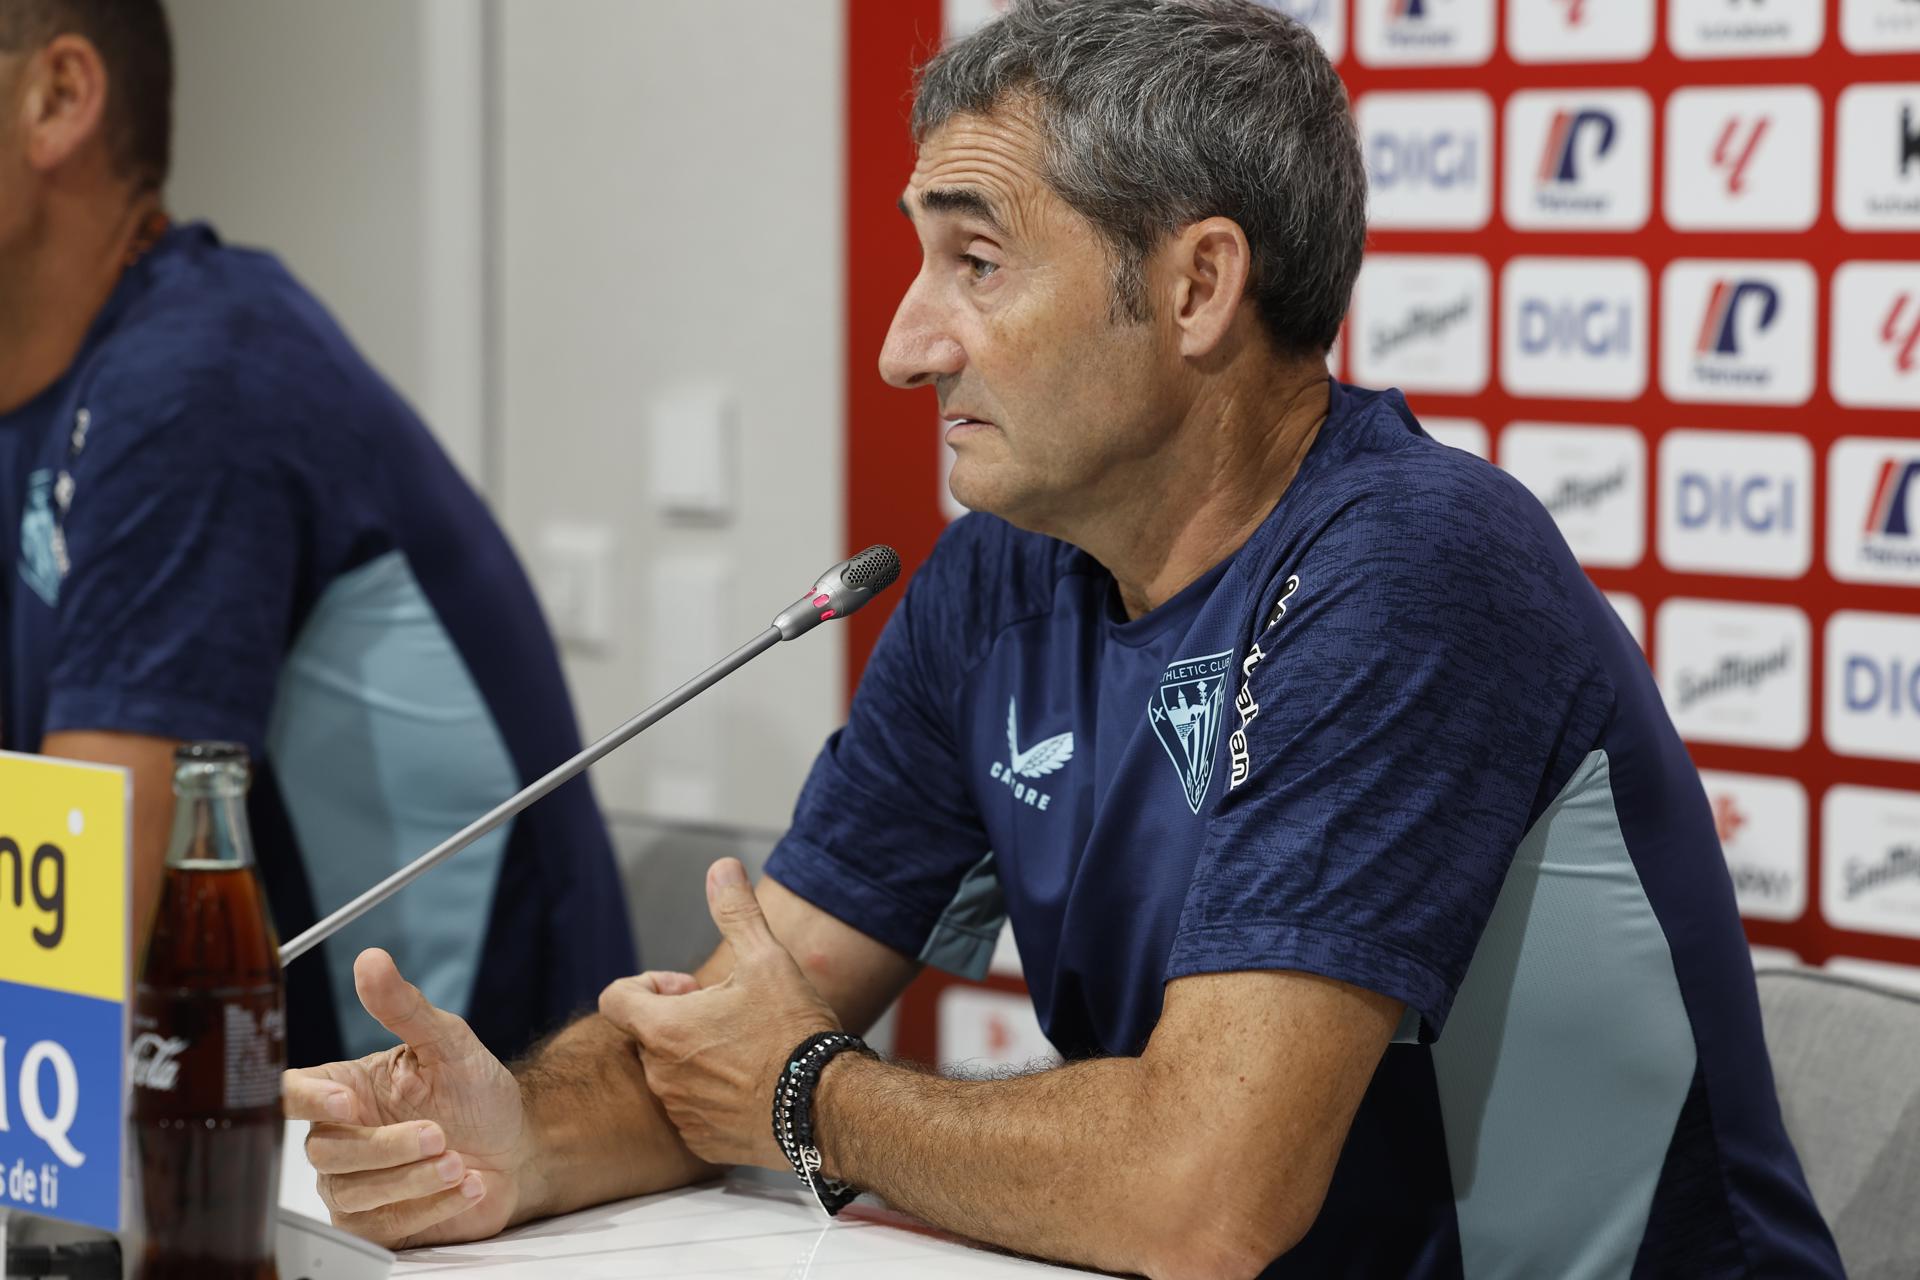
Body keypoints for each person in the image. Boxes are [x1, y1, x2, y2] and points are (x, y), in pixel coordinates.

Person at [284, 2, 1843, 1275]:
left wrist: (812, 1100)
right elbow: (754, 1024)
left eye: (976, 261)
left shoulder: (1417, 565)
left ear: (1196, 288)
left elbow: (1201, 1194)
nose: (906, 344)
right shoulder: (998, 578)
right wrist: (519, 1134)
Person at [0, 0, 635, 1067]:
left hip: (472, 1167)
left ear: (56, 98)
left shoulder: (194, 383)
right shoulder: (49, 396)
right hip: (240, 1153)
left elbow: (70, 969)